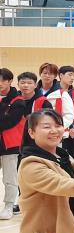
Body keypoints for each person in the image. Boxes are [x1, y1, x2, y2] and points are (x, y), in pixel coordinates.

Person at [0, 71, 44, 219]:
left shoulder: (18, 101)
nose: (0, 83)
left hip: (9, 146)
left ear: (9, 81)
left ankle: (9, 206)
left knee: (9, 178)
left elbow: (8, 122)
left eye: (3, 80)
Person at [43, 66, 74, 166]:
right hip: (55, 133)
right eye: (70, 75)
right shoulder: (51, 92)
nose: (72, 78)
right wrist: (59, 128)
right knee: (56, 163)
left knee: (73, 164)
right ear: (61, 75)